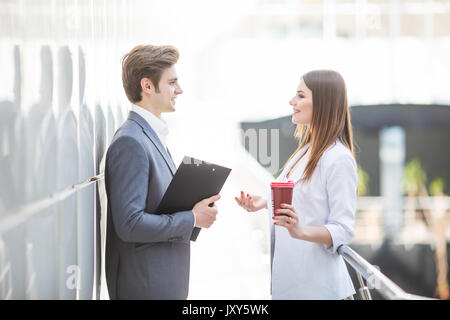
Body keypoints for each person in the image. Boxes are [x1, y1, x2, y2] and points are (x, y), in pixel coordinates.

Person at [105, 44, 220, 300]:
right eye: (172, 82)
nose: (179, 90)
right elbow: (130, 224)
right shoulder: (131, 142)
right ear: (147, 86)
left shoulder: (149, 136)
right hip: (146, 287)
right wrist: (191, 218)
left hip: (159, 283)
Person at [235, 70, 357, 300]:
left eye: (301, 96)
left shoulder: (338, 159)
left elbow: (344, 229)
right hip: (293, 283)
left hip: (318, 289)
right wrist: (264, 203)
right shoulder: (305, 151)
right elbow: (304, 204)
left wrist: (300, 231)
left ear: (322, 103)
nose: (292, 101)